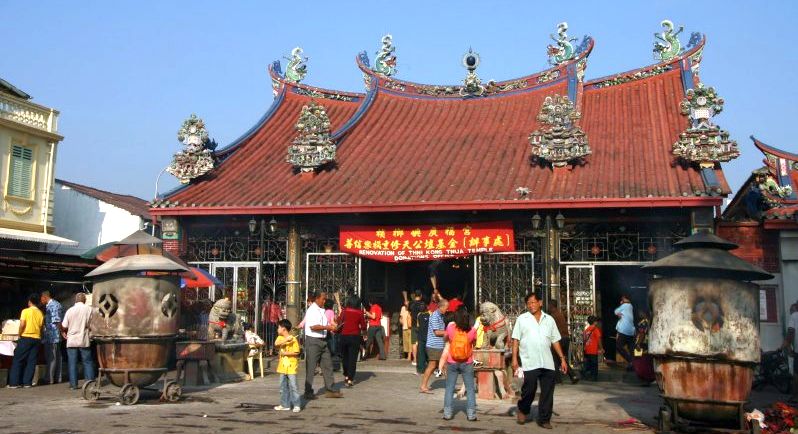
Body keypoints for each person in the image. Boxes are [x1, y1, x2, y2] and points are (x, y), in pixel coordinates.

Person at [512, 292, 568, 429]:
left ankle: (544, 419)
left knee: (548, 392)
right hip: (530, 361)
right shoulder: (522, 319)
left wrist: (562, 359)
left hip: (547, 361)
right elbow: (516, 340)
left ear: (540, 303)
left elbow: (555, 340)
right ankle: (523, 409)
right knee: (529, 389)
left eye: (533, 302)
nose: (531, 305)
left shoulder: (549, 320)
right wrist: (514, 359)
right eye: (528, 303)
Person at [302, 291, 342, 399]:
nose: (324, 301)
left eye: (325, 299)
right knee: (311, 367)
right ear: (317, 299)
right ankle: (308, 391)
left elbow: (323, 324)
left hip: (323, 340)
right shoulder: (312, 310)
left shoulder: (321, 310)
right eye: (323, 299)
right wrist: (328, 328)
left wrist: (332, 326)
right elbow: (313, 327)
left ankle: (330, 389)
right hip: (313, 341)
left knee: (327, 365)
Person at [442, 305, 477, 421]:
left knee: (449, 388)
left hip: (452, 362)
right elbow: (474, 343)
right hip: (467, 362)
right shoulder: (472, 330)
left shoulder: (451, 328)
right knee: (470, 389)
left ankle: (447, 414)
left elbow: (445, 338)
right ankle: (471, 415)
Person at [8, 293, 44, 388]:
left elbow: (22, 324)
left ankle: (14, 383)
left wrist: (19, 334)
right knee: (31, 361)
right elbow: (41, 327)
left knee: (18, 360)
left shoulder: (25, 311)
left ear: (29, 302)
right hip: (36, 339)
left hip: (26, 337)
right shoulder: (40, 313)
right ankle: (27, 382)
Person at [61, 293, 95, 390]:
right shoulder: (89, 309)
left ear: (75, 300)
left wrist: (62, 331)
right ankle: (90, 384)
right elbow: (92, 324)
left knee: (72, 363)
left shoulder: (70, 310)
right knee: (87, 362)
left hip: (71, 339)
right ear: (84, 300)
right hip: (84, 339)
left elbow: (64, 326)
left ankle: (73, 385)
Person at [337, 296, 366, 387]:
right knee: (352, 359)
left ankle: (346, 374)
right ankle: (350, 379)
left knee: (345, 357)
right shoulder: (359, 313)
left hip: (344, 336)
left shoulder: (344, 312)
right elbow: (364, 326)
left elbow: (339, 322)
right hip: (355, 337)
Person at [420, 298, 448, 393]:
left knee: (444, 365)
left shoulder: (441, 316)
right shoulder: (435, 316)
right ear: (441, 307)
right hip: (434, 345)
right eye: (446, 307)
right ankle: (423, 386)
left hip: (439, 345)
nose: (447, 310)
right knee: (432, 366)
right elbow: (437, 332)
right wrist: (449, 332)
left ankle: (450, 386)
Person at [274, 319, 301, 413]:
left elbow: (296, 352)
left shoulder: (293, 339)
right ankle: (285, 404)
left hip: (291, 366)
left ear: (284, 329)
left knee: (293, 386)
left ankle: (297, 404)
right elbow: (276, 344)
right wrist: (286, 340)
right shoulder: (280, 338)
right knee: (282, 386)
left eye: (279, 327)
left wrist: (286, 353)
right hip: (282, 367)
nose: (277, 329)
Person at [548, 299, 578, 384]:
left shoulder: (553, 316)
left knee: (554, 359)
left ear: (551, 306)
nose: (548, 308)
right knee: (561, 359)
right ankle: (573, 376)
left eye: (549, 306)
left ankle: (558, 379)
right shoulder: (560, 314)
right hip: (566, 339)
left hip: (559, 339)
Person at [41, 290, 63, 385]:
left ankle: (49, 378)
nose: (40, 300)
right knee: (56, 357)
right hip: (53, 335)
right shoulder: (52, 305)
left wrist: (61, 332)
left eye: (41, 298)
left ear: (45, 297)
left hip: (53, 336)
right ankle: (57, 377)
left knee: (52, 357)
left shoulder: (53, 305)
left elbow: (57, 321)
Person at [614, 294, 635, 370]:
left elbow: (615, 311)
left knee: (619, 346)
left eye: (623, 299)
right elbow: (619, 324)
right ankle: (632, 364)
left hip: (625, 331)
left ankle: (631, 361)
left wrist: (620, 307)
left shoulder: (626, 305)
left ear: (626, 299)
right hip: (630, 331)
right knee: (631, 349)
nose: (621, 301)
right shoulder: (629, 308)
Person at [783, 303, 798, 400]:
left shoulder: (794, 316)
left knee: (796, 373)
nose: (790, 312)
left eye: (791, 310)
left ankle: (796, 396)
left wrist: (786, 345)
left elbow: (790, 332)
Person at [582, 315, 603, 381]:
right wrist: (601, 348)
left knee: (588, 363)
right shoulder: (596, 329)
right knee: (594, 364)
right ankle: (594, 377)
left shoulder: (586, 330)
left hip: (587, 349)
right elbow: (598, 339)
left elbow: (584, 340)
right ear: (595, 322)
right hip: (593, 350)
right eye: (596, 321)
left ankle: (586, 374)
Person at [415, 300, 432, 375]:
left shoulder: (430, 313)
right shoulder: (419, 315)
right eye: (420, 306)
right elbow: (418, 326)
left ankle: (431, 369)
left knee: (429, 354)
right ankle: (420, 370)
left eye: (422, 305)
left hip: (429, 337)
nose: (421, 307)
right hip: (421, 337)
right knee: (420, 354)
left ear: (426, 306)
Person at [408, 291, 426, 367]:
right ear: (421, 295)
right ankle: (421, 359)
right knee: (421, 342)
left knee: (414, 343)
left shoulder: (411, 303)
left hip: (414, 325)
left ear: (414, 295)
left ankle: (415, 359)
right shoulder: (423, 304)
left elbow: (409, 311)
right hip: (421, 325)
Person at [323, 298, 340, 371]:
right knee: (333, 349)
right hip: (331, 331)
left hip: (324, 331)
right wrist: (337, 325)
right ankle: (333, 365)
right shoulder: (331, 312)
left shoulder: (324, 311)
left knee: (326, 349)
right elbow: (332, 322)